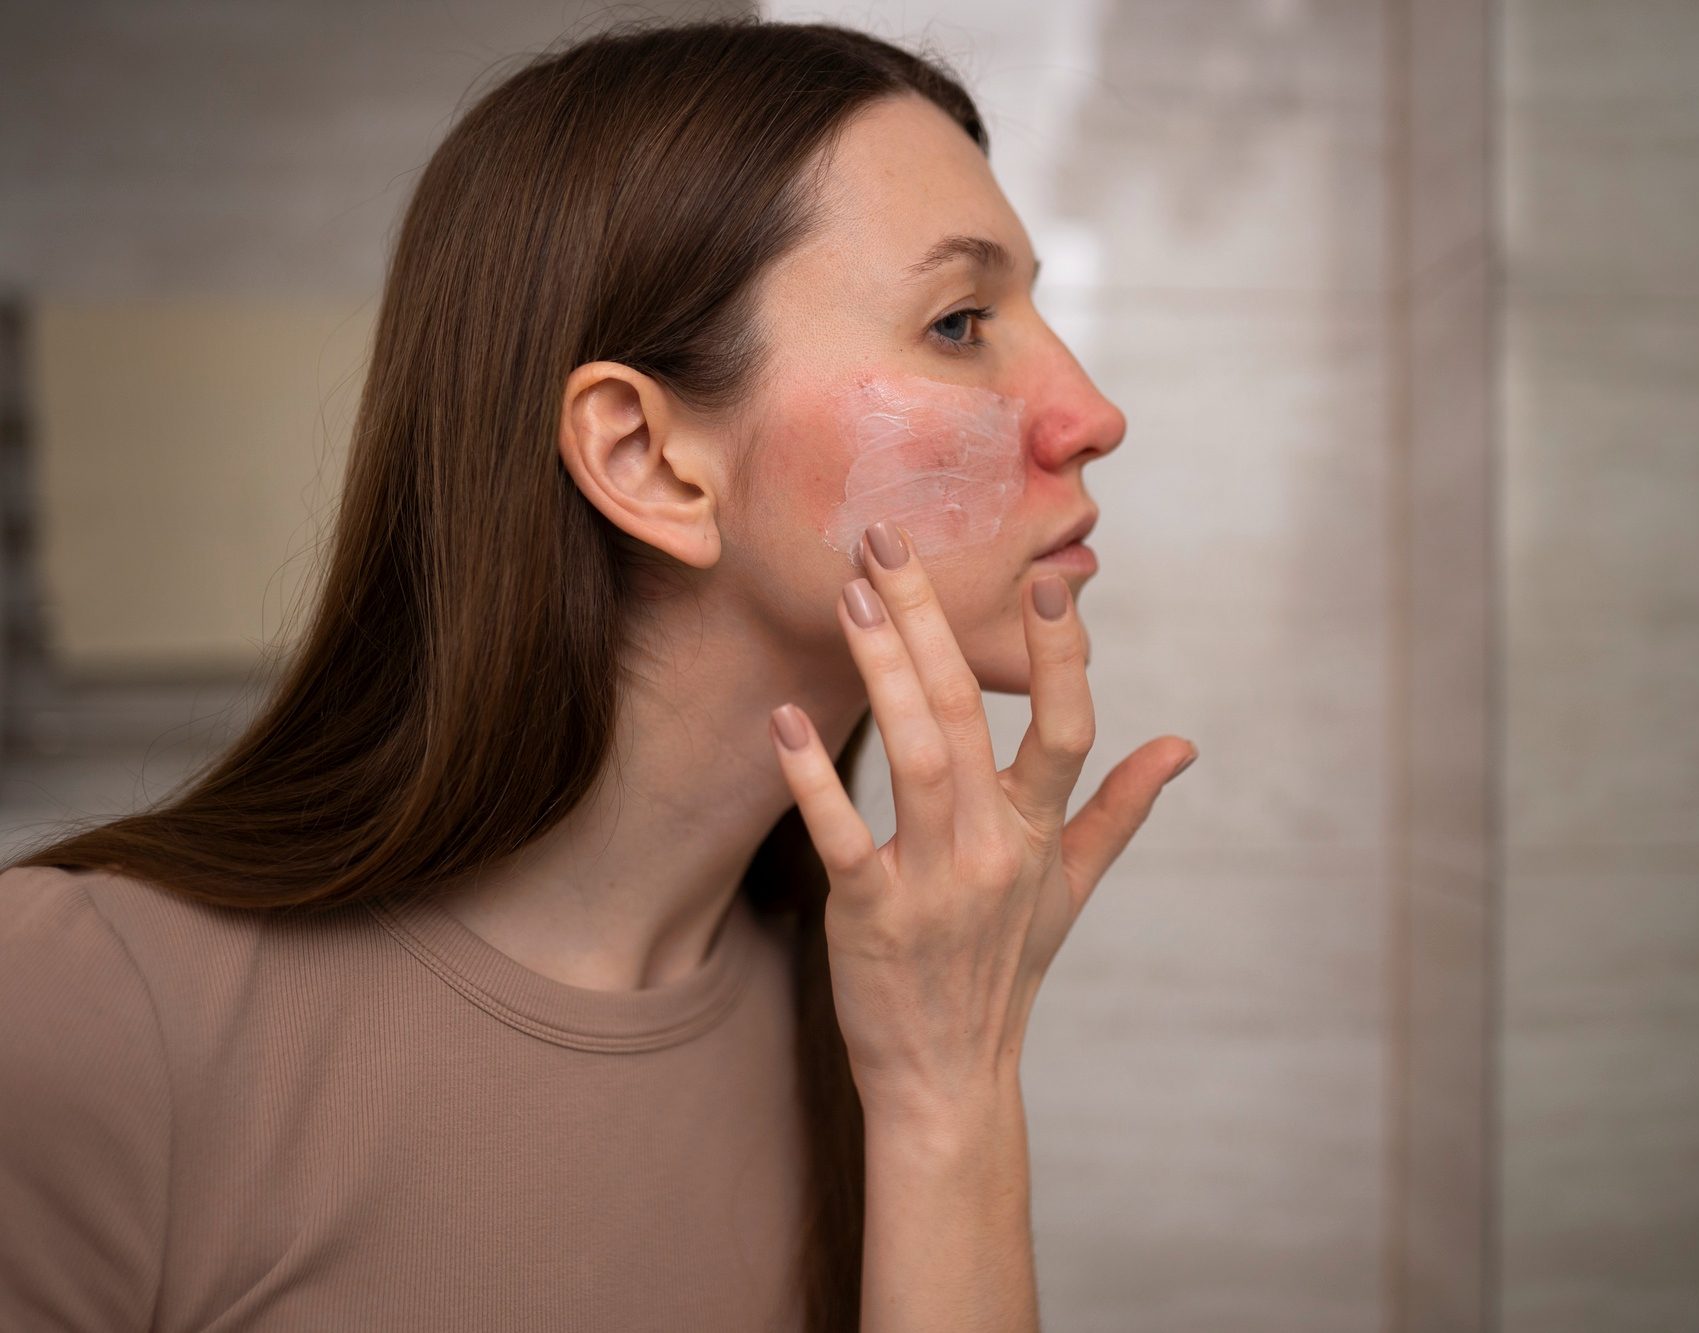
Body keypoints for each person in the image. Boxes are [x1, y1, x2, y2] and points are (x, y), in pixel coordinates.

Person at [0, 17, 1196, 1332]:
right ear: (646, 459)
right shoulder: (78, 1009)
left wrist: (949, 1089)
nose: (1091, 411)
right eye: (960, 320)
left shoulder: (882, 1015)